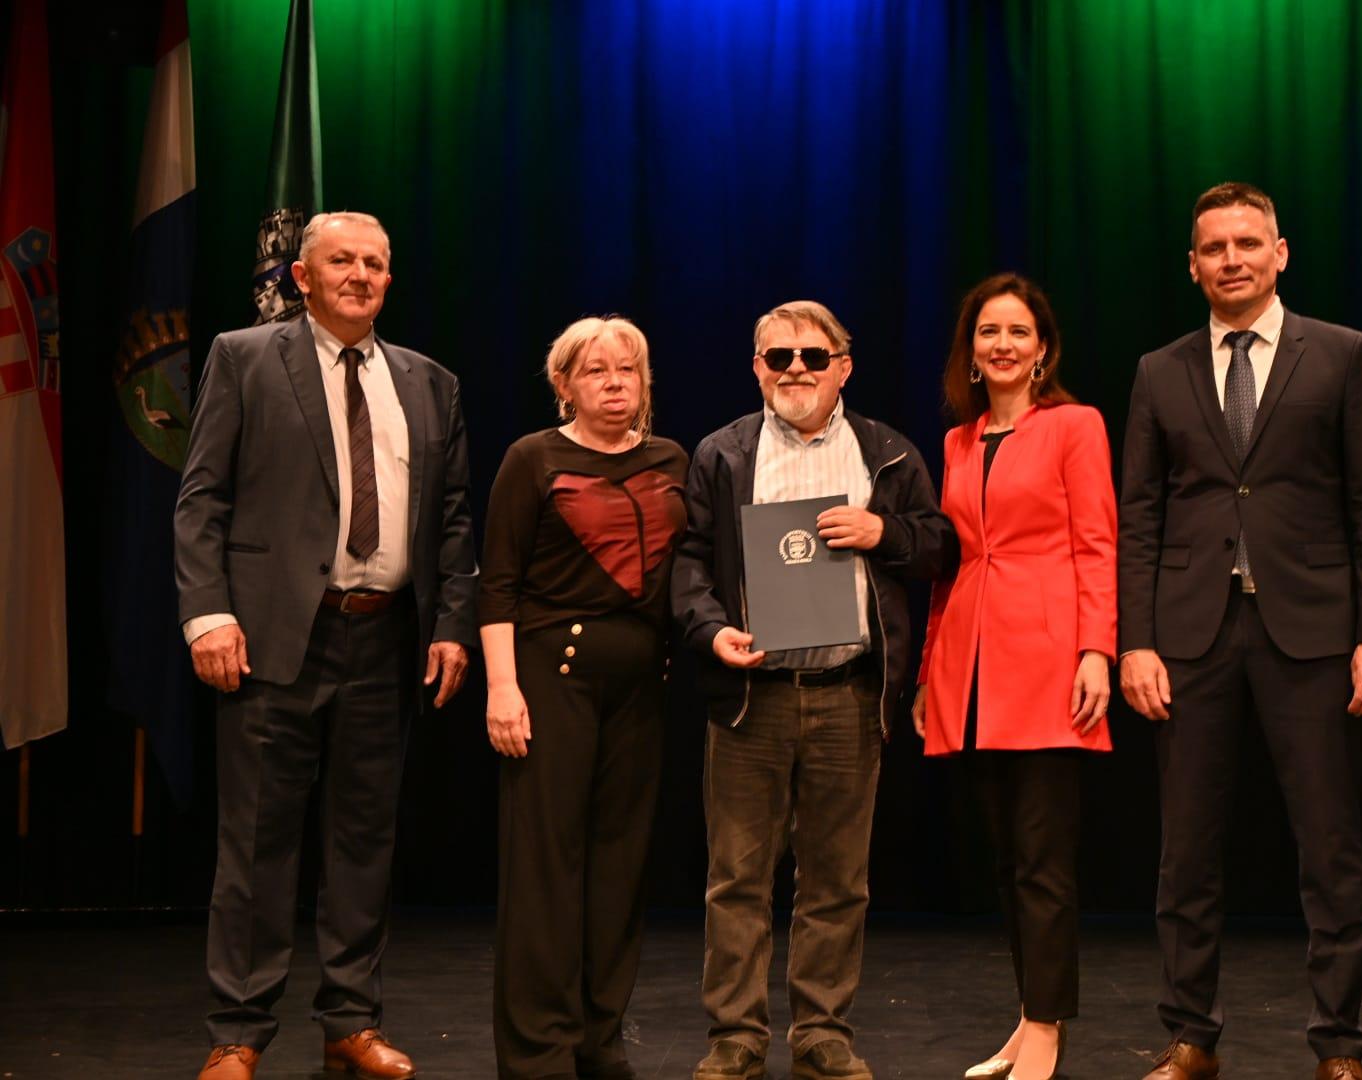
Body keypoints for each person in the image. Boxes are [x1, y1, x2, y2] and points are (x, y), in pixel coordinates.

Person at [175, 211, 478, 1080]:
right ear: (302, 277)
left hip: (386, 639)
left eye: (375, 263)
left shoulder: (430, 383)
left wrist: (452, 624)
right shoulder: (245, 357)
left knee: (363, 842)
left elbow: (453, 519)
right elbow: (201, 499)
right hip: (273, 638)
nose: (360, 275)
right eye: (341, 260)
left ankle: (350, 1021)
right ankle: (238, 1031)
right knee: (257, 844)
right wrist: (207, 614)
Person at [1118, 182, 1362, 1080]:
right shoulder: (1159, 370)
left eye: (1248, 243)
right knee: (1186, 855)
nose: (1232, 259)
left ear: (1281, 254)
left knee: (1330, 847)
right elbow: (1140, 517)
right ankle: (1191, 1038)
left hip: (1314, 633)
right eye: (1215, 247)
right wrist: (1135, 640)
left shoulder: (1341, 354)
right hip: (1189, 637)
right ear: (1192, 265)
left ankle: (1339, 1046)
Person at [671, 301, 954, 1080]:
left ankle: (822, 1031)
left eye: (813, 357)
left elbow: (939, 545)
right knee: (737, 877)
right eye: (779, 357)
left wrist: (883, 533)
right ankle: (736, 1036)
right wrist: (709, 629)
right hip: (750, 695)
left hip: (848, 693)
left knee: (837, 880)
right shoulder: (723, 452)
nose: (796, 369)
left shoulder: (885, 453)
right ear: (756, 367)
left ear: (843, 368)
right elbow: (689, 558)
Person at [911, 273, 1117, 1080]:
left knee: (1043, 861)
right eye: (988, 332)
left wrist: (1096, 649)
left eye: (1018, 332)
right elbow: (951, 562)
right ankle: (1029, 1016)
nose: (1002, 344)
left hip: (1048, 660)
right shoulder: (959, 442)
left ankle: (1046, 1028)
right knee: (1005, 860)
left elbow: (1097, 542)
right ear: (970, 350)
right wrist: (931, 671)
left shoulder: (1074, 425)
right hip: (971, 666)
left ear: (1042, 350)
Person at [479, 317, 688, 1079]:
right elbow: (497, 584)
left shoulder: (671, 459)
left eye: (627, 369)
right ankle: (539, 1053)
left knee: (618, 870)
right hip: (548, 682)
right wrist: (503, 688)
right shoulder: (532, 458)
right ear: (564, 384)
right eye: (596, 370)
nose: (614, 383)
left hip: (639, 693)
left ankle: (599, 1041)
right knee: (545, 872)